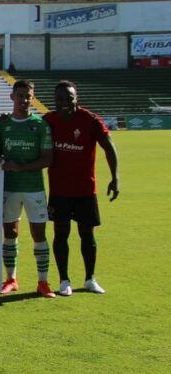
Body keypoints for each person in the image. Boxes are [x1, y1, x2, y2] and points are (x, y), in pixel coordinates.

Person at [44, 81, 120, 295]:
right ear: (54, 100)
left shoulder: (90, 120)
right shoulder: (48, 120)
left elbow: (109, 147)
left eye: (69, 97)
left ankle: (90, 279)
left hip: (86, 189)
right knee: (61, 233)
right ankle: (64, 281)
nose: (64, 102)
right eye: (60, 98)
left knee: (87, 234)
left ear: (76, 98)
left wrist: (115, 177)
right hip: (59, 190)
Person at [0, 80, 54, 297]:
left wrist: (20, 167)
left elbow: (48, 159)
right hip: (9, 188)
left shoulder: (40, 125)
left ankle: (43, 282)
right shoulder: (2, 124)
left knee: (39, 233)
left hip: (34, 188)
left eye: (28, 96)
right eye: (19, 95)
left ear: (32, 97)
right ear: (12, 97)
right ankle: (11, 278)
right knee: (10, 233)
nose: (24, 100)